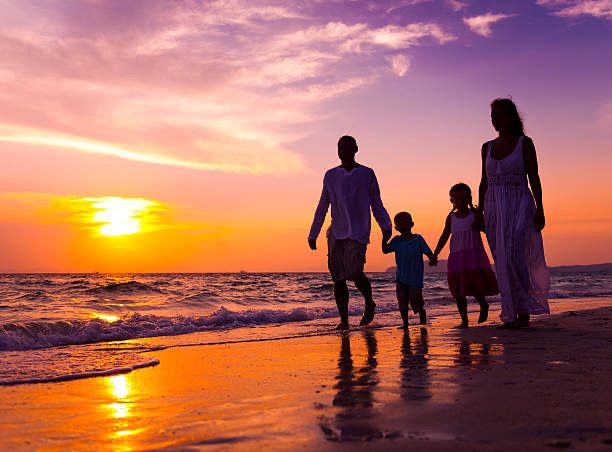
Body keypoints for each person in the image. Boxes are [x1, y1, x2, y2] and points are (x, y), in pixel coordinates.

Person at [474, 98, 550, 328]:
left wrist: (541, 209)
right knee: (501, 258)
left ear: (511, 116)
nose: (494, 120)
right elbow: (483, 183)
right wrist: (479, 212)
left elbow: (534, 177)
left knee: (515, 255)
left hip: (520, 203)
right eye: (492, 116)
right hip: (494, 207)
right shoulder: (487, 147)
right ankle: (510, 311)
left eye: (499, 114)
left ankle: (523, 311)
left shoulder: (524, 143)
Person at [309, 135, 392, 330]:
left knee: (355, 272)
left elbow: (376, 203)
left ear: (356, 149)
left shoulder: (367, 173)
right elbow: (323, 205)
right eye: (340, 147)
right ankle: (344, 321)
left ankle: (369, 302)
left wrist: (386, 227)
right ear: (337, 151)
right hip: (336, 233)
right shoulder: (330, 175)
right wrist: (313, 233)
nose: (343, 150)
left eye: (347, 146)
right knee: (337, 278)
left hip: (359, 232)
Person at [432, 183, 499, 328]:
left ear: (469, 198)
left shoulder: (475, 215)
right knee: (458, 290)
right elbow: (444, 235)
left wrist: (481, 226)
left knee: (476, 286)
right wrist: (435, 253)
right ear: (452, 201)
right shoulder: (451, 217)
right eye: (457, 200)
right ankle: (464, 320)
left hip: (474, 256)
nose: (460, 203)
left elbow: (488, 231)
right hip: (457, 257)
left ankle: (483, 304)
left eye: (464, 199)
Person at [382, 212, 437, 329]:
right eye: (399, 223)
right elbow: (385, 250)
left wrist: (432, 258)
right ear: (396, 228)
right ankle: (405, 324)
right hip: (401, 276)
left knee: (414, 299)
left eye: (405, 222)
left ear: (412, 224)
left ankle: (422, 314)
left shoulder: (418, 239)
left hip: (415, 277)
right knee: (402, 300)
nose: (402, 225)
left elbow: (428, 251)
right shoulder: (396, 240)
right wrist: (384, 238)